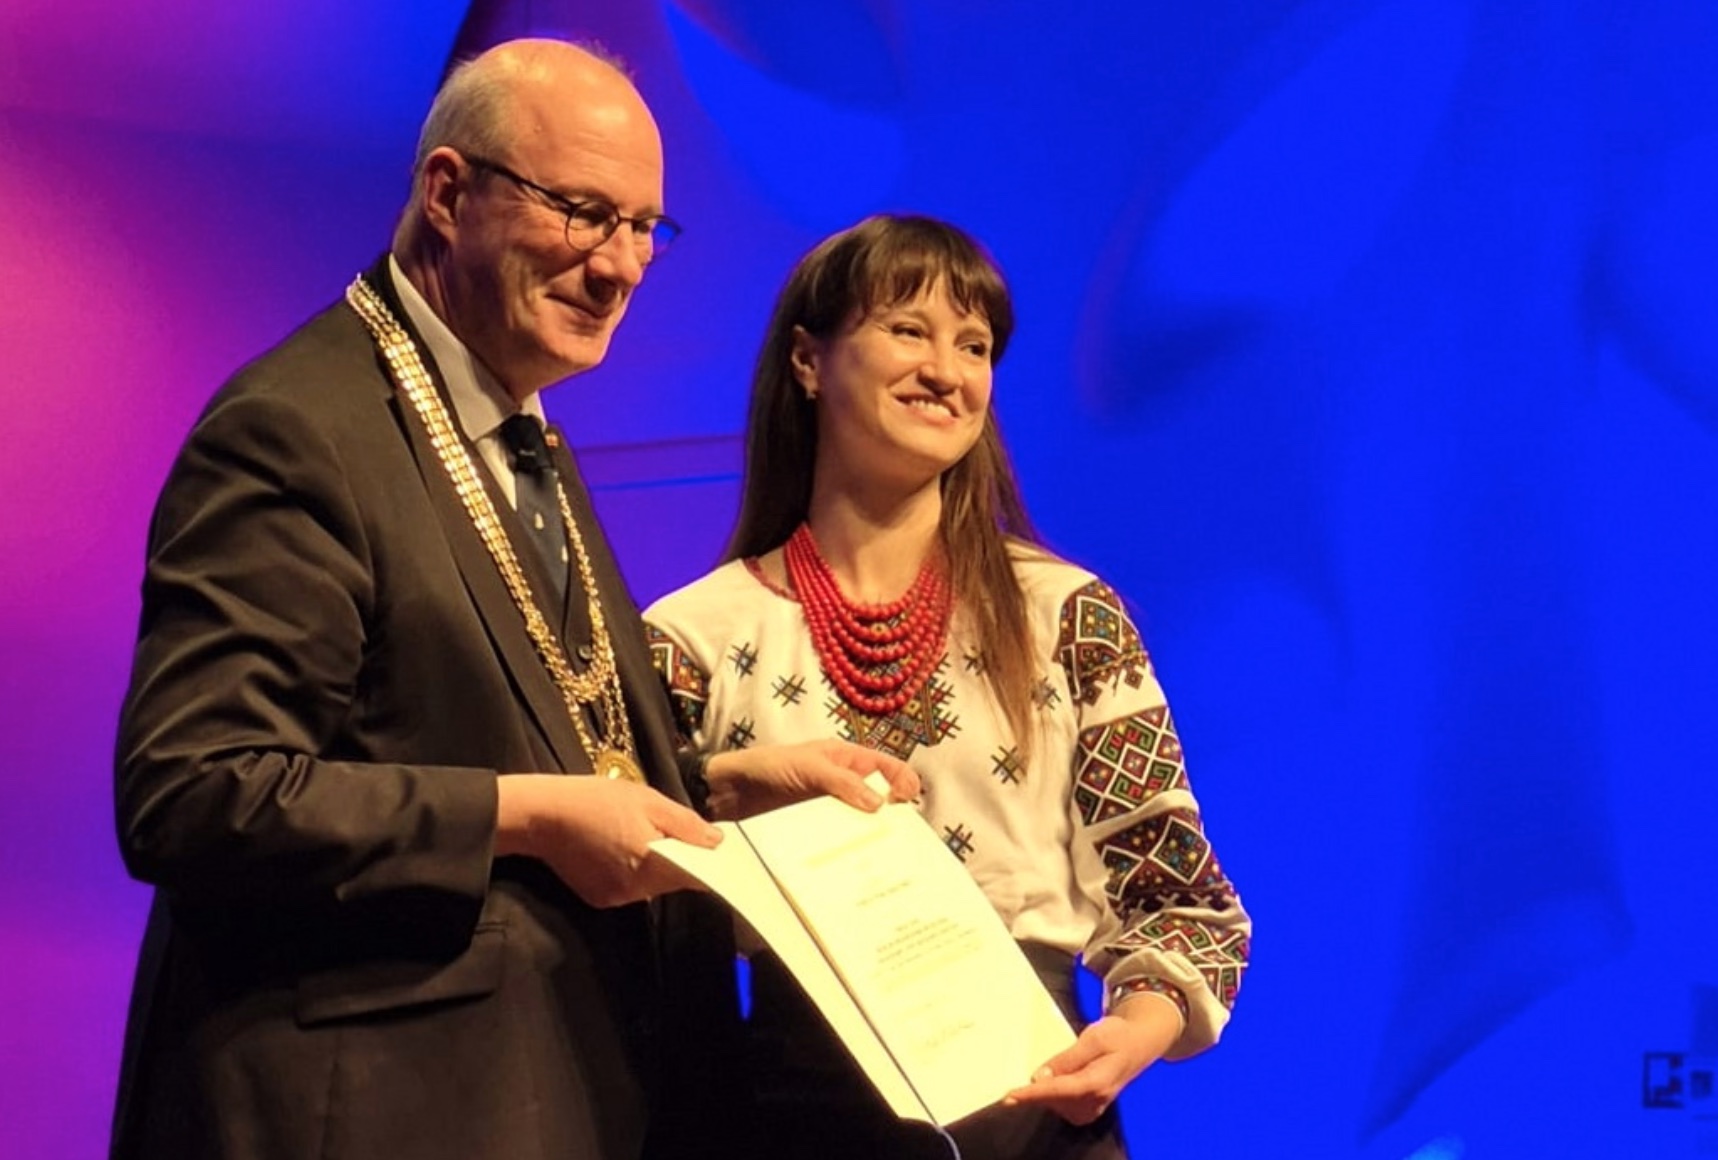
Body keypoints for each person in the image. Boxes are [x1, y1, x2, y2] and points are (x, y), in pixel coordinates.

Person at [110, 39, 914, 1160]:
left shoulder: (518, 426)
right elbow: (196, 793)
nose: (621, 266)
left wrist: (728, 790)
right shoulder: (295, 430)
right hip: (378, 1116)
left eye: (644, 228)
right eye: (584, 214)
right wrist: (524, 815)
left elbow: (516, 740)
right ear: (448, 194)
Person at [644, 214, 1253, 1159]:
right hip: (791, 1119)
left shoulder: (1065, 616)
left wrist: (1131, 1035)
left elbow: (1182, 902)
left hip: (1037, 1115)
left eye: (974, 346)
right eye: (908, 330)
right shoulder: (694, 637)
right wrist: (725, 788)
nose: (946, 371)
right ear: (808, 360)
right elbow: (627, 869)